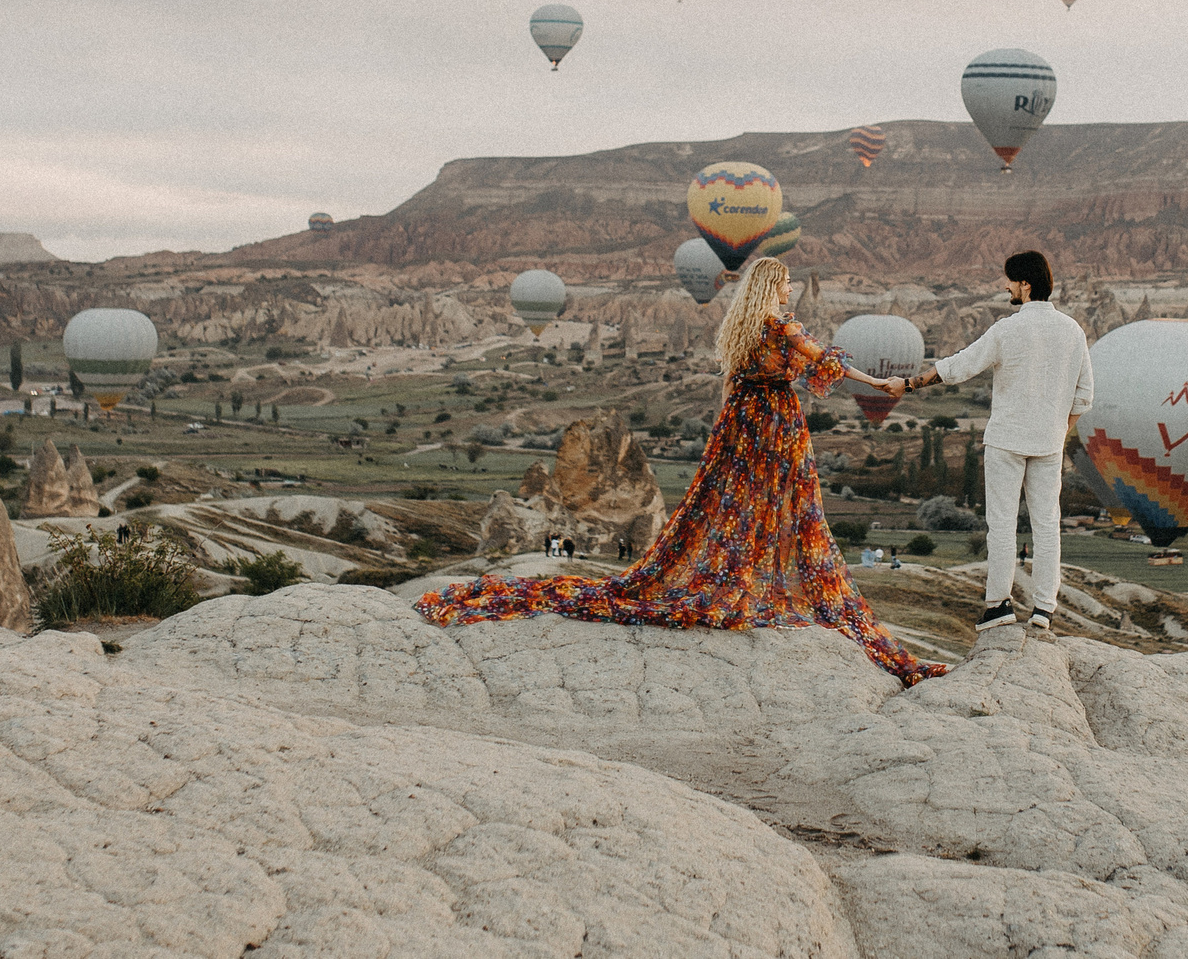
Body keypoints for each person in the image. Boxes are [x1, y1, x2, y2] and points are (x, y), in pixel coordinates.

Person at [415, 258, 942, 685]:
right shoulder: (782, 325)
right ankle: (751, 582)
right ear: (772, 285)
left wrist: (725, 428)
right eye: (784, 284)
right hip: (776, 421)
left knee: (730, 504)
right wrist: (877, 382)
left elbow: (731, 384)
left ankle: (738, 575)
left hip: (741, 422)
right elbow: (826, 359)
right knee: (783, 503)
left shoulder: (742, 327)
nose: (789, 291)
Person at [899, 250, 1093, 635]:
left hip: (1006, 440)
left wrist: (909, 384)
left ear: (1025, 284)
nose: (1006, 287)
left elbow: (960, 366)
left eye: (1010, 281)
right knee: (1047, 525)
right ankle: (1044, 609)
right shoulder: (1073, 330)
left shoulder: (1007, 330)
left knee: (1002, 524)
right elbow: (1084, 397)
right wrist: (1058, 432)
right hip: (1048, 443)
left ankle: (999, 605)